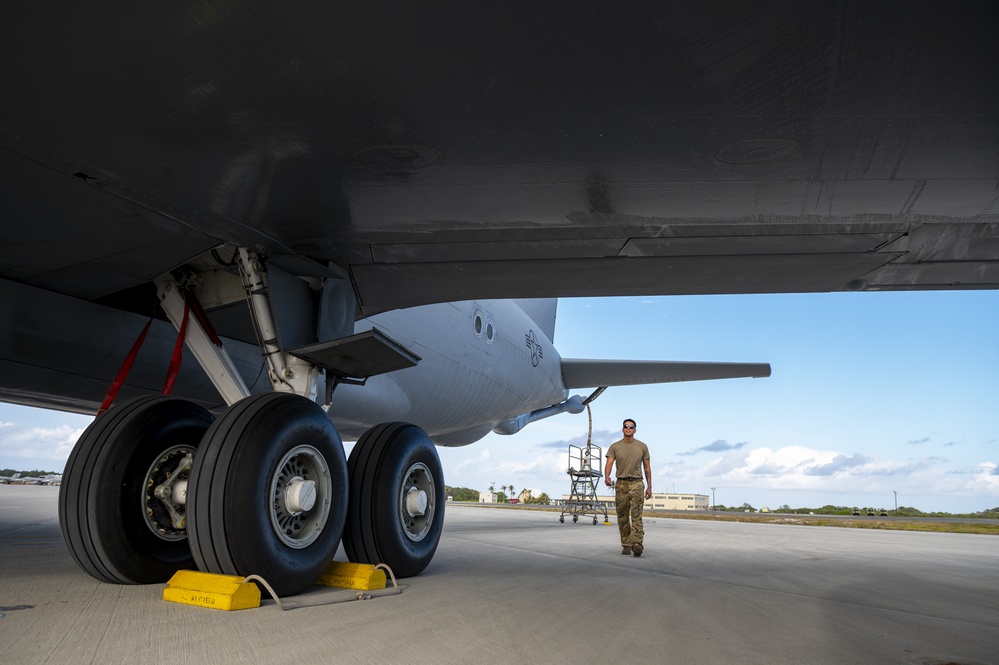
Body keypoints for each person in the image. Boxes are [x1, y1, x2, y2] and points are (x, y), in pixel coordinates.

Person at [604, 418, 652, 557]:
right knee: (623, 515)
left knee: (637, 515)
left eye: (631, 427)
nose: (628, 428)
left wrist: (649, 487)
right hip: (621, 484)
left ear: (635, 430)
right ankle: (626, 544)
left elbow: (647, 468)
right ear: (623, 429)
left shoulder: (642, 446)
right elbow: (609, 463)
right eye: (626, 426)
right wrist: (607, 476)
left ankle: (637, 544)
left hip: (637, 483)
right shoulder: (615, 446)